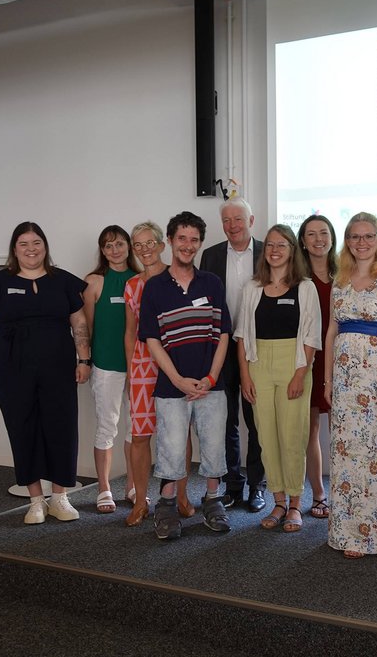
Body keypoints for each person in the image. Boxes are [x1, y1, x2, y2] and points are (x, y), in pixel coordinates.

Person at [0, 222, 90, 525]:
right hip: (13, 368)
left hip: (59, 366)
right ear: (14, 249)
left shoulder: (63, 281)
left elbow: (79, 324)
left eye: (36, 242)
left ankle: (60, 497)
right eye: (23, 243)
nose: (31, 249)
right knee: (23, 427)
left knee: (62, 426)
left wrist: (84, 360)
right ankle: (36, 500)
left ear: (45, 246)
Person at [139, 212, 232, 539]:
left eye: (194, 240)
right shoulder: (154, 287)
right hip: (171, 386)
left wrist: (210, 378)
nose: (188, 245)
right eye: (182, 239)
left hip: (211, 385)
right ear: (171, 241)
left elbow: (222, 334)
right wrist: (178, 380)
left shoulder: (212, 283)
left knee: (213, 447)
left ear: (200, 244)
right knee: (172, 449)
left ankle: (212, 500)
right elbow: (151, 339)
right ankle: (165, 508)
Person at [323, 212, 377, 559]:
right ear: (347, 242)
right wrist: (329, 380)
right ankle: (347, 531)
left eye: (368, 236)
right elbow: (332, 331)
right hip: (345, 383)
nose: (361, 243)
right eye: (354, 237)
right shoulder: (340, 280)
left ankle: (375, 533)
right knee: (347, 453)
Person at [236, 225, 321, 533]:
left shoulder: (306, 287)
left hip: (294, 365)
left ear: (292, 250)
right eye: (270, 244)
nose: (274, 250)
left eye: (281, 245)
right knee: (266, 438)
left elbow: (311, 335)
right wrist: (245, 374)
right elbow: (242, 335)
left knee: (292, 436)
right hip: (259, 366)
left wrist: (300, 374)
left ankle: (296, 504)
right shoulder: (252, 288)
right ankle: (278, 501)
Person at [123, 221, 195, 527]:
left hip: (175, 363)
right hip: (142, 365)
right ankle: (141, 501)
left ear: (162, 245)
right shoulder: (132, 285)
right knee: (140, 435)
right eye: (138, 245)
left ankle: (181, 496)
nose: (144, 250)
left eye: (149, 243)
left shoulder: (177, 277)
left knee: (179, 433)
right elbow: (130, 332)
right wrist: (131, 371)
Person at [199, 197, 266, 512]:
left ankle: (257, 486)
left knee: (257, 422)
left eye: (238, 219)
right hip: (222, 350)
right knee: (225, 423)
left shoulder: (270, 252)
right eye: (226, 220)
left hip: (257, 350)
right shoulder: (210, 256)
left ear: (251, 221)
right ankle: (233, 486)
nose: (232, 226)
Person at [82, 225, 141, 514]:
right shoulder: (94, 282)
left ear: (129, 246)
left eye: (119, 244)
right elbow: (86, 326)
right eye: (108, 246)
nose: (114, 250)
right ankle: (104, 487)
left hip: (139, 365)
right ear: (102, 251)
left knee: (136, 429)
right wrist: (86, 360)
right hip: (106, 364)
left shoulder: (142, 279)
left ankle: (132, 484)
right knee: (107, 426)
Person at [297, 214, 336, 519]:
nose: (318, 239)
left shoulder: (347, 274)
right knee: (310, 431)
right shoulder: (296, 278)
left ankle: (348, 492)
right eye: (311, 234)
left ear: (333, 237)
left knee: (343, 430)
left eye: (324, 233)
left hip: (341, 359)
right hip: (310, 358)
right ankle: (319, 495)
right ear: (303, 241)